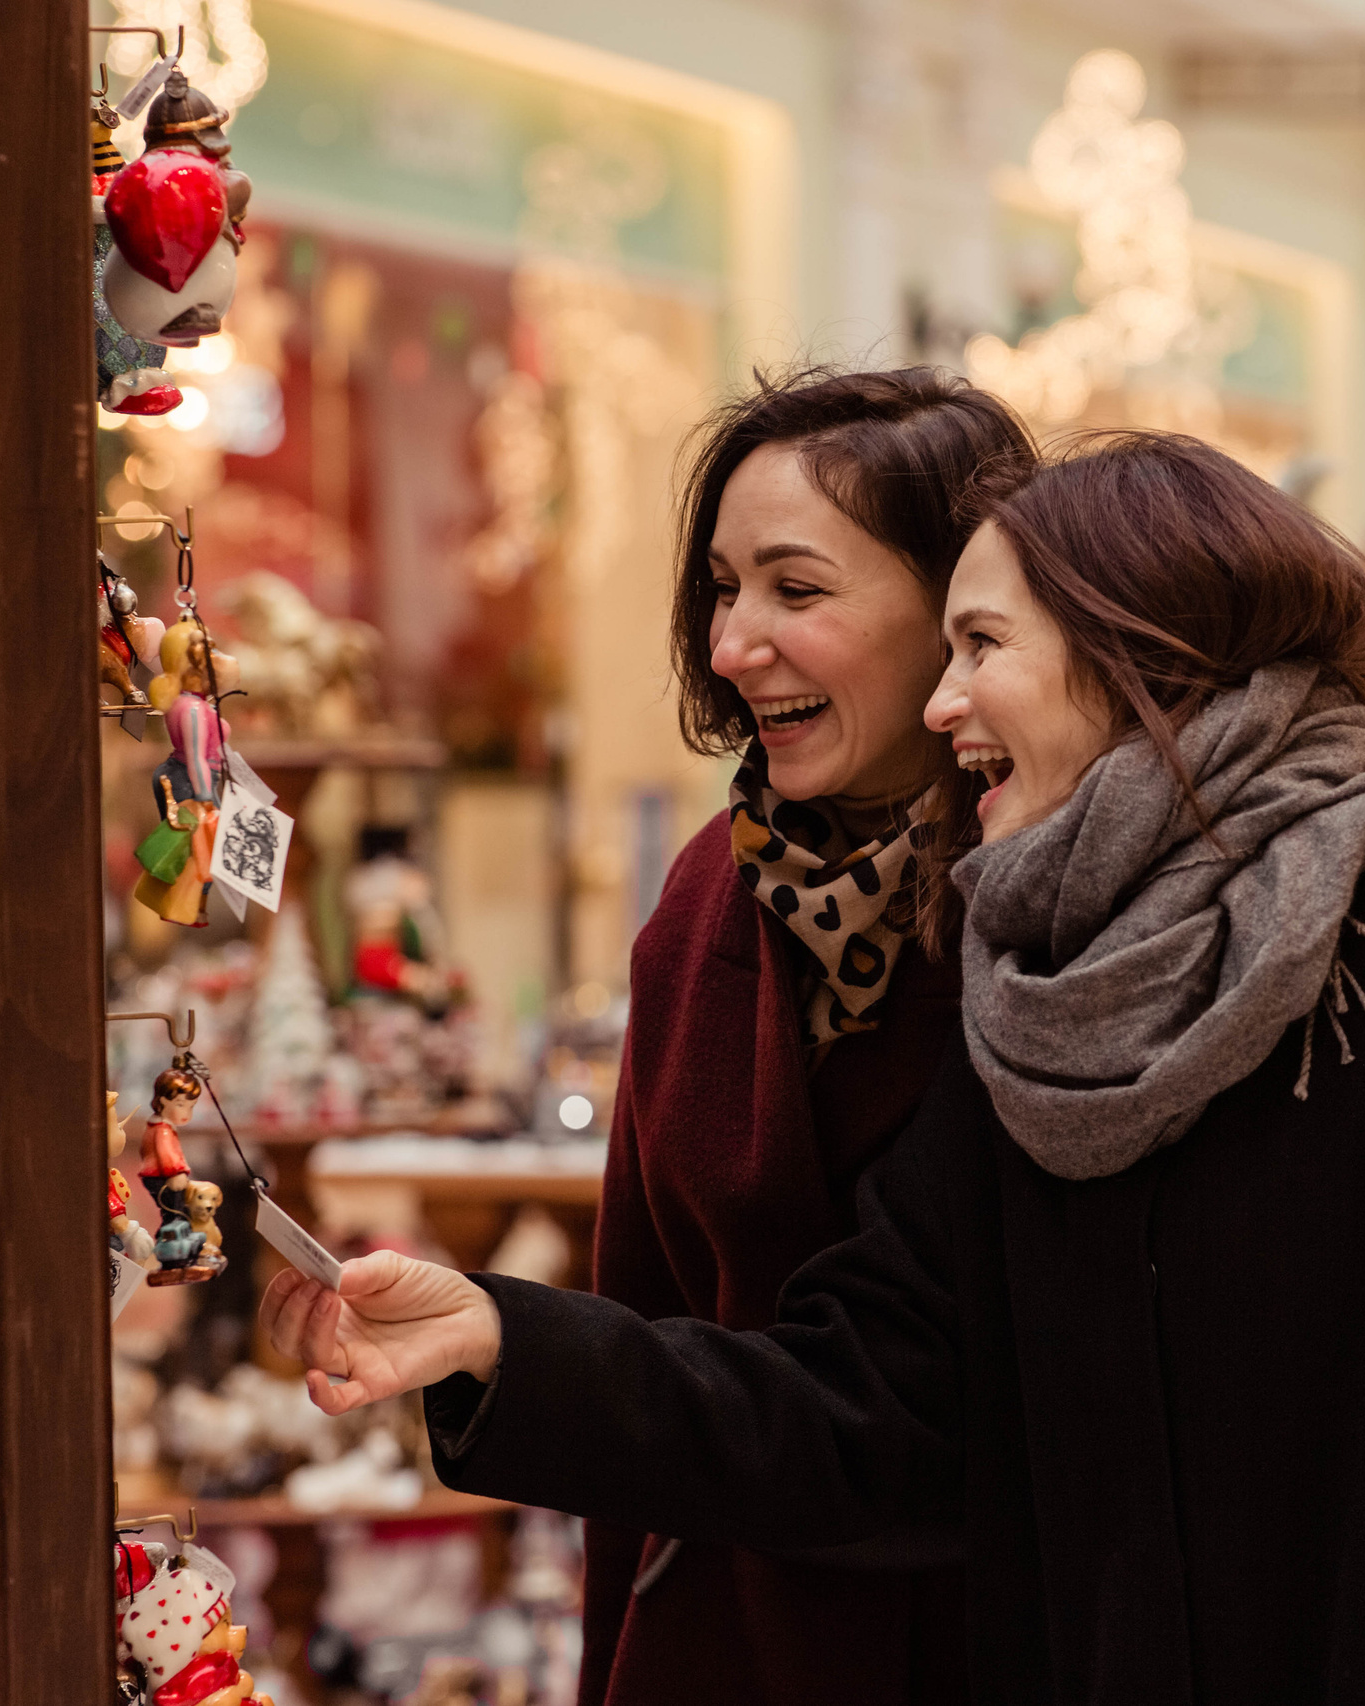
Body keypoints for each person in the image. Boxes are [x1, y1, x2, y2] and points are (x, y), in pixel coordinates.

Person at [264, 433, 1365, 1704]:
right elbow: (855, 1408)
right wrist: (502, 1340)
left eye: (981, 644)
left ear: (1137, 654)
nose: (944, 706)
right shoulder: (1030, 1011)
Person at [511, 367, 1037, 1706]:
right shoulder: (706, 897)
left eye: (797, 592)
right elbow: (641, 1299)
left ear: (961, 617)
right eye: (725, 588)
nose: (738, 642)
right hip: (726, 1643)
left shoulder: (1070, 915)